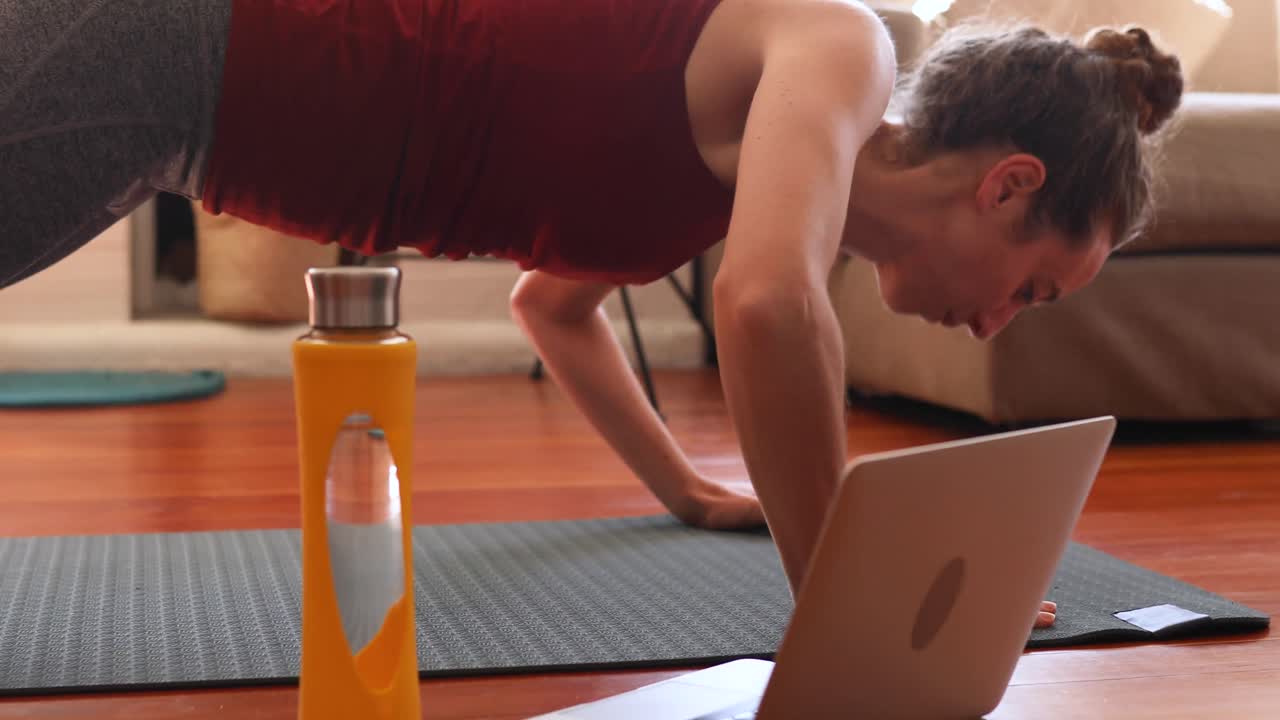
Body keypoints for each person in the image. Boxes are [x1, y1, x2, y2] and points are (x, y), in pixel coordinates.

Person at [1, 0, 1183, 629]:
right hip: (176, 35)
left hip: (181, 120)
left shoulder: (732, 190)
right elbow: (766, 304)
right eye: (1029, 288)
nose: (996, 325)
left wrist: (688, 490)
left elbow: (553, 311)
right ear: (1006, 186)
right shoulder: (835, 43)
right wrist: (849, 602)